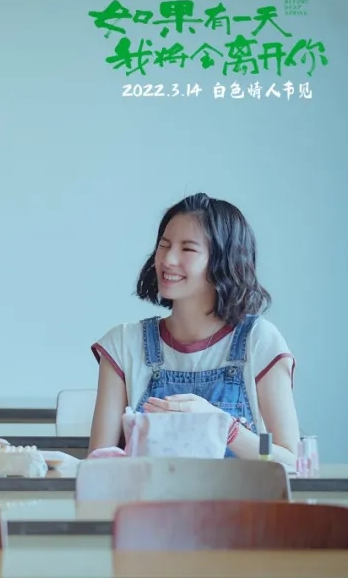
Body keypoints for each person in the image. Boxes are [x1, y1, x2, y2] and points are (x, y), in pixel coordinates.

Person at [88, 193, 300, 463]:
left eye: (187, 249)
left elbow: (289, 459)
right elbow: (98, 467)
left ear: (224, 261)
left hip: (239, 493)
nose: (168, 259)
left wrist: (227, 429)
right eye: (164, 245)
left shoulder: (259, 340)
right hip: (148, 492)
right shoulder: (123, 344)